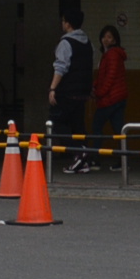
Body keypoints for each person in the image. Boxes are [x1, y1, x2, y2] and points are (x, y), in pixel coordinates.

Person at [47, 10, 94, 174]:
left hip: (67, 91)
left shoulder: (66, 43)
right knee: (78, 126)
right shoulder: (87, 42)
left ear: (67, 23)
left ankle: (79, 151)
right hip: (83, 92)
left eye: (63, 20)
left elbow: (61, 67)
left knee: (56, 123)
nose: (62, 23)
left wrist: (53, 88)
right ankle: (83, 161)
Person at [89, 22, 129, 167]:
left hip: (109, 99)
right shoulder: (113, 54)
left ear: (115, 40)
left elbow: (109, 78)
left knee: (97, 127)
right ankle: (122, 161)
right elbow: (105, 76)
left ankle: (95, 159)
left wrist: (98, 92)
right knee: (119, 130)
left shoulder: (111, 55)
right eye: (104, 37)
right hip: (119, 97)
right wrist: (96, 85)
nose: (106, 40)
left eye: (110, 37)